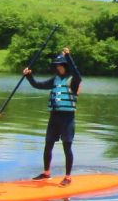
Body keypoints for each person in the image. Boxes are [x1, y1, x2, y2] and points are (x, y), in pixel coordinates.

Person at [24, 47, 82, 184]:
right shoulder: (55, 80)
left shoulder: (73, 80)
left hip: (67, 119)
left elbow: (78, 74)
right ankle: (46, 173)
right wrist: (29, 76)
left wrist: (68, 56)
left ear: (65, 66)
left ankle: (68, 177)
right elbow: (38, 85)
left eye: (60, 65)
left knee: (67, 147)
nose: (58, 68)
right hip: (54, 117)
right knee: (48, 144)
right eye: (56, 66)